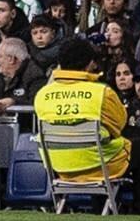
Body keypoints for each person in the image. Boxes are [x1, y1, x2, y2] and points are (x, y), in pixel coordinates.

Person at [33, 37, 131, 185]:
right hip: (101, 168)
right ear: (89, 63)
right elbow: (121, 124)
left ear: (60, 64)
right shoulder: (102, 93)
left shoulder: (42, 95)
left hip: (60, 168)